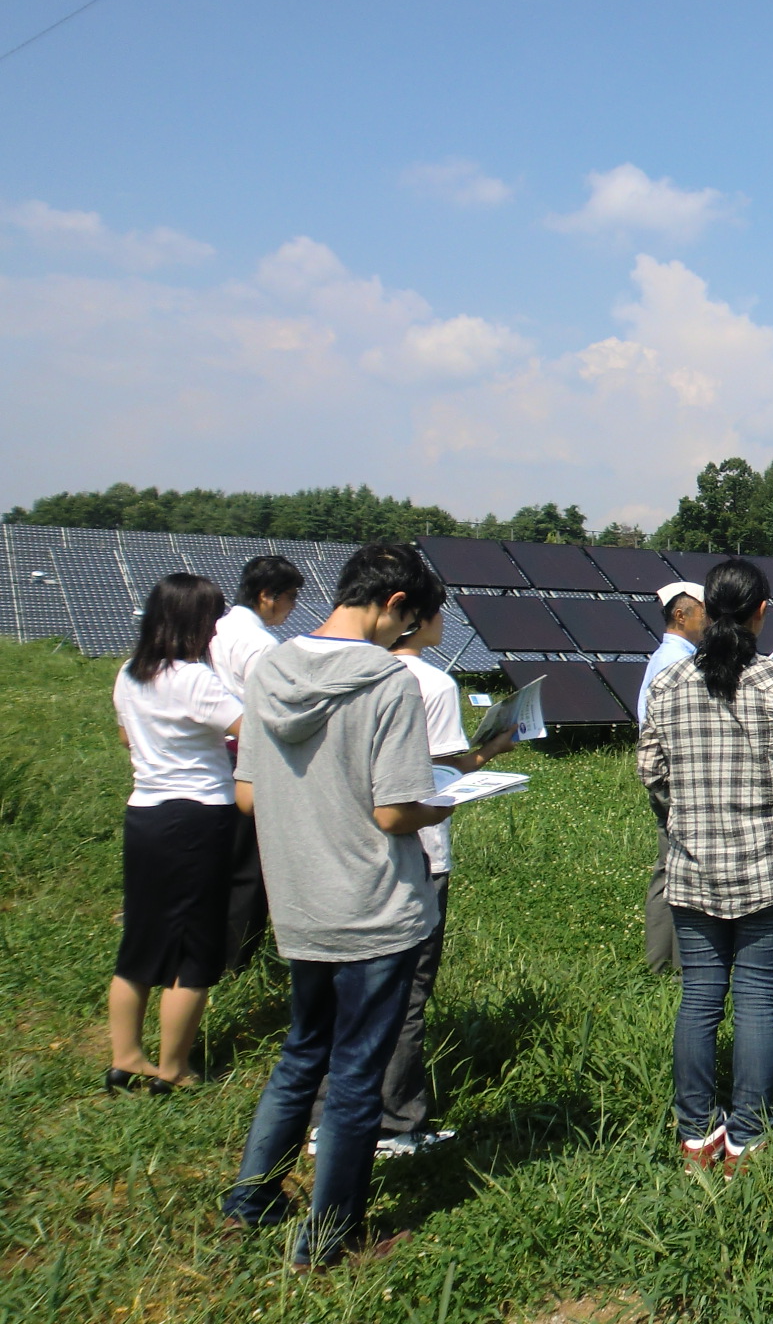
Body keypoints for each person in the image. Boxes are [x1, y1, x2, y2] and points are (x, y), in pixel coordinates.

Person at [220, 542, 448, 1270]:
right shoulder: (388, 683)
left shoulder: (272, 668)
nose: (402, 633)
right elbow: (393, 813)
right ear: (393, 606)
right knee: (354, 1076)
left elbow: (248, 795)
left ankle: (249, 1202)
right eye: (405, 619)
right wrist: (439, 805)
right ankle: (328, 1237)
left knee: (300, 1056)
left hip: (299, 901)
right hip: (375, 907)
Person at [307, 606, 514, 1158]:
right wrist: (488, 755)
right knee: (407, 994)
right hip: (416, 851)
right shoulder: (432, 684)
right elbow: (446, 768)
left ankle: (324, 1115)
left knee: (341, 992)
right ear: (413, 617)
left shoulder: (339, 672)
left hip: (342, 852)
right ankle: (395, 1123)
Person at [639, 559, 773, 1171]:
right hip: (769, 865)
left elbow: (652, 774)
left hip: (691, 866)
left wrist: (683, 818)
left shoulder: (667, 686)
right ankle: (747, 1133)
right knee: (756, 1000)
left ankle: (695, 1132)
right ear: (761, 612)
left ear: (705, 612)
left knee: (699, 999)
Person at [107, 573, 244, 1093]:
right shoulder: (195, 679)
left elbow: (126, 734)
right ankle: (174, 1067)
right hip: (198, 818)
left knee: (141, 939)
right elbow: (251, 730)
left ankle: (125, 1058)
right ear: (195, 623)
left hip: (145, 813)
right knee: (195, 948)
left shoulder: (130, 673)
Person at [210, 554, 303, 974]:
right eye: (290, 597)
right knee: (250, 868)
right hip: (248, 757)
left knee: (222, 859)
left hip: (214, 755)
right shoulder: (262, 645)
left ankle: (211, 947)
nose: (293, 606)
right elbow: (274, 710)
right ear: (267, 596)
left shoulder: (216, 627)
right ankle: (235, 960)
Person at [639, 580, 706, 975]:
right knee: (681, 871)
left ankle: (662, 962)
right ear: (681, 616)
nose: (710, 620)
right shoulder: (674, 664)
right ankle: (679, 964)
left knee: (669, 869)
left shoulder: (672, 658)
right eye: (703, 612)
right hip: (675, 780)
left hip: (667, 778)